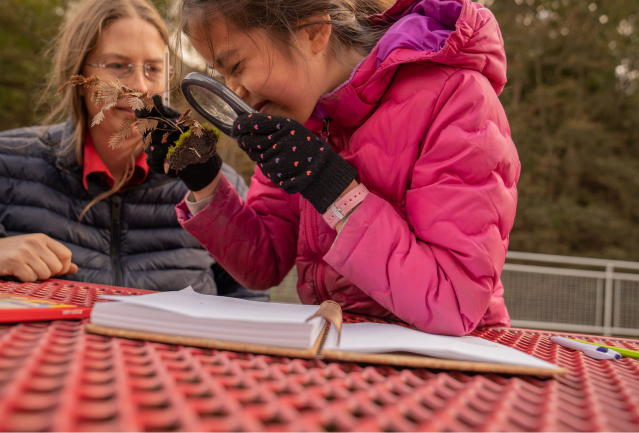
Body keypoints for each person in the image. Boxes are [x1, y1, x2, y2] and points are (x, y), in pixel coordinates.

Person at [142, 0, 519, 335]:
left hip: (455, 368)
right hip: (343, 352)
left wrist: (334, 191)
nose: (233, 90)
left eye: (236, 65)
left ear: (314, 32)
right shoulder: (298, 119)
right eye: (220, 73)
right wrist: (205, 181)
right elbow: (263, 265)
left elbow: (454, 302)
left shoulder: (458, 100)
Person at [0, 0, 268, 300]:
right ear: (77, 77)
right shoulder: (6, 163)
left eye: (153, 69)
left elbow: (250, 302)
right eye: (117, 66)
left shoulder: (216, 187)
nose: (139, 85)